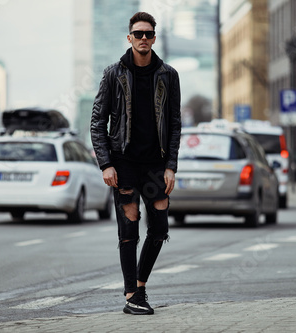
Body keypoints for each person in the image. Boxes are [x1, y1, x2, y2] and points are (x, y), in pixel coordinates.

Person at [90, 12, 181, 315]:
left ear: (154, 38)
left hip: (156, 165)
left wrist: (170, 165)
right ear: (129, 37)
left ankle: (139, 286)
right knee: (129, 230)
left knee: (159, 228)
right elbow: (97, 122)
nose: (144, 39)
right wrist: (106, 163)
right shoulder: (113, 73)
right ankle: (132, 295)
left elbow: (175, 123)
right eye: (138, 34)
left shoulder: (168, 75)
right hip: (124, 162)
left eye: (149, 34)